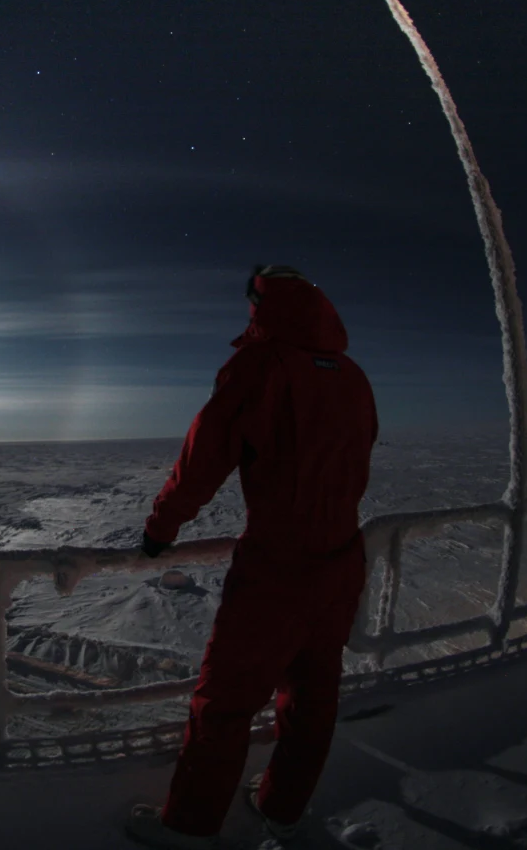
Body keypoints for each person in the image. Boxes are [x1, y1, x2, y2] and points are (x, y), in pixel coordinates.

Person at [126, 265, 378, 849]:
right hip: (342, 560)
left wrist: (159, 529)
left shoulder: (261, 366)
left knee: (224, 701)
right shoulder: (353, 375)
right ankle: (282, 808)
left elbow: (204, 456)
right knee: (313, 695)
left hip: (278, 568)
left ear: (260, 306)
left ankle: (188, 828)